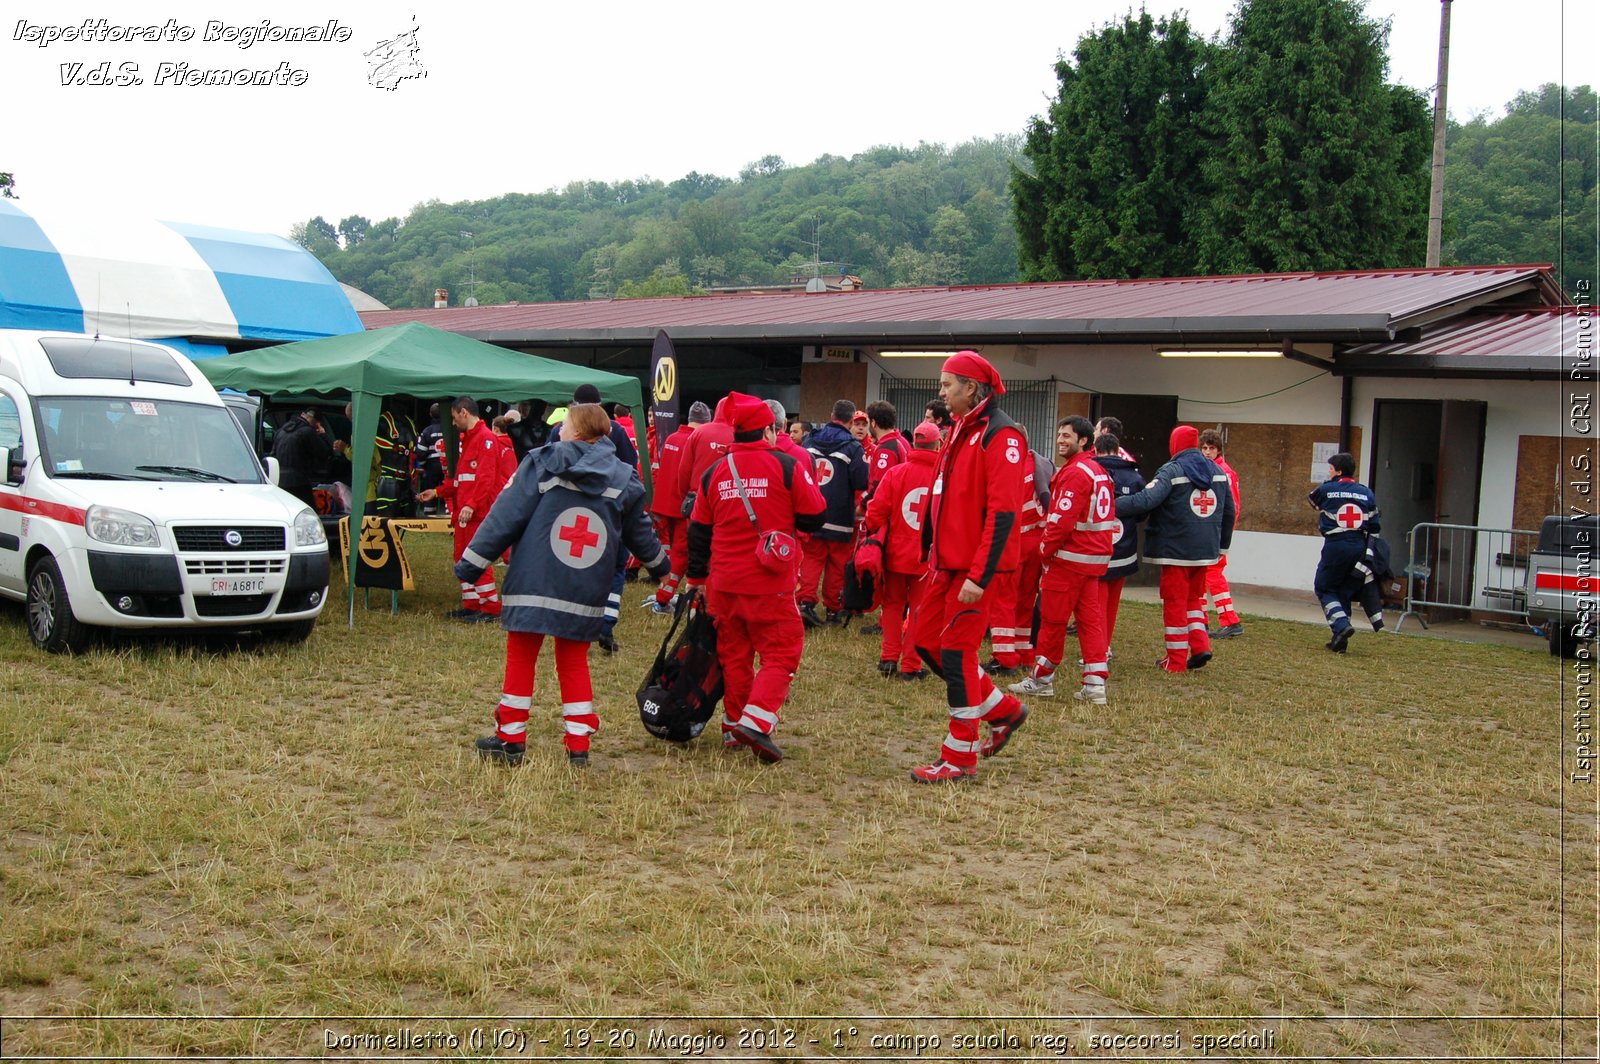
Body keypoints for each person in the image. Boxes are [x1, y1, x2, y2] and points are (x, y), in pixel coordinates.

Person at [456, 403, 670, 767]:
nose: (560, 430)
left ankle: (511, 739)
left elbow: (505, 514)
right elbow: (641, 533)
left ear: (575, 431)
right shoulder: (623, 476)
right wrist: (662, 568)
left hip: (534, 582)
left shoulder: (541, 462)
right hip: (584, 587)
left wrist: (471, 564)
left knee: (521, 657)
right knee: (573, 662)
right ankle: (578, 744)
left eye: (565, 423)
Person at [909, 351, 1031, 784]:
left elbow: (1003, 514)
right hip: (948, 565)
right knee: (926, 643)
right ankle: (1003, 709)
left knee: (957, 654)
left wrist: (979, 577)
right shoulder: (961, 429)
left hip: (975, 570)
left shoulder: (1002, 436)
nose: (940, 392)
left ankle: (958, 757)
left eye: (947, 385)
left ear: (971, 389)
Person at [685, 393, 826, 763]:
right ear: (768, 430)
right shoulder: (787, 466)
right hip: (770, 583)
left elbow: (698, 531)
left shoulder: (714, 472)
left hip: (724, 583)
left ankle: (734, 729)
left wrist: (695, 578)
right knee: (782, 652)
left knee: (735, 656)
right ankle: (758, 721)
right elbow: (814, 517)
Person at [1009, 417, 1115, 703]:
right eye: (1058, 434)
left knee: (1053, 621)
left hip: (1069, 559)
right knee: (1090, 621)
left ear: (1083, 440)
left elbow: (1060, 521)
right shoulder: (1097, 471)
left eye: (1067, 435)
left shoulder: (1076, 472)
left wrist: (1044, 550)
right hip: (1092, 559)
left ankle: (1041, 678)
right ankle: (1095, 684)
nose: (1060, 440)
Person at [1115, 425, 1236, 672]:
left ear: (1175, 444)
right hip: (1205, 551)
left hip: (1175, 549)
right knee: (1194, 600)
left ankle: (1176, 660)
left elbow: (1146, 500)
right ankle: (1201, 646)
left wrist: (1111, 504)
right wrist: (1221, 546)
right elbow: (1229, 511)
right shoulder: (1218, 471)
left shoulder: (1172, 470)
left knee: (1175, 603)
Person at [417, 397, 516, 622]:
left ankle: (490, 607)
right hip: (465, 511)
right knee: (461, 557)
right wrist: (437, 492)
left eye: (453, 418)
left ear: (463, 413)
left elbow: (485, 478)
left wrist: (471, 504)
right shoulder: (470, 439)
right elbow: (461, 479)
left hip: (476, 512)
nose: (453, 424)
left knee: (477, 558)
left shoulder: (485, 439)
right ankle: (472, 603)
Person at [864, 419, 941, 679]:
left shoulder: (896, 473)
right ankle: (911, 665)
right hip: (926, 557)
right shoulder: (943, 478)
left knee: (892, 606)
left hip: (895, 554)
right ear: (937, 444)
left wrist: (880, 532)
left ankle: (888, 659)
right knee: (919, 610)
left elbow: (874, 512)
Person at [573, 384, 639, 654]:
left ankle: (576, 626)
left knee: (578, 568)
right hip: (612, 512)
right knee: (614, 568)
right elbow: (630, 470)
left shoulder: (563, 432)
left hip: (575, 514)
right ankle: (606, 625)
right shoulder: (617, 431)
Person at [799, 399, 867, 626]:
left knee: (811, 560)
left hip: (813, 512)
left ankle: (805, 603)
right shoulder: (853, 447)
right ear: (850, 421)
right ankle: (832, 611)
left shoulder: (809, 439)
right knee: (837, 564)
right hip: (840, 515)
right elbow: (861, 480)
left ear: (831, 415)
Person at [1309, 451, 1380, 653]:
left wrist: (1329, 487)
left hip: (1337, 544)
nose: (1329, 472)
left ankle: (1341, 626)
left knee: (1324, 587)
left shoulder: (1327, 488)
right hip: (1359, 545)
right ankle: (1340, 639)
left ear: (1338, 471)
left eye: (1330, 469)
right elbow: (1374, 524)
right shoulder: (1366, 492)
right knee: (1344, 592)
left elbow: (1313, 501)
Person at [647, 400, 711, 613]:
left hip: (664, 504)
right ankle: (663, 599)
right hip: (685, 508)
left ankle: (664, 593)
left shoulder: (672, 437)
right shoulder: (699, 441)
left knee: (669, 551)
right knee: (682, 555)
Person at [1093, 431, 1144, 646]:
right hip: (1124, 551)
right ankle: (1106, 646)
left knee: (1095, 604)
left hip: (1095, 550)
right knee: (1112, 604)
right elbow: (1142, 512)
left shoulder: (1091, 472)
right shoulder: (1134, 477)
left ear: (1095, 450)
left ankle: (1097, 649)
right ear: (1117, 451)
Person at [1198, 429, 1243, 638]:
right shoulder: (1209, 469)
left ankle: (1230, 620)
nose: (1207, 452)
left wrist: (1225, 535)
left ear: (1218, 450)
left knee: (1213, 575)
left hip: (1217, 534)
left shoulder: (1224, 472)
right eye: (1204, 448)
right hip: (1208, 532)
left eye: (1212, 448)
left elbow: (1232, 507)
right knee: (1202, 576)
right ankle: (1202, 621)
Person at [270, 408, 332, 510]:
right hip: (299, 482)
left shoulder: (281, 431)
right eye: (317, 422)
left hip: (279, 481)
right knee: (309, 513)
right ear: (315, 421)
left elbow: (273, 455)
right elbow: (325, 453)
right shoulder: (308, 432)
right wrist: (323, 434)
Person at [414, 403, 446, 516]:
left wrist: (422, 466)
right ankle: (449, 516)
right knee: (449, 491)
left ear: (430, 414)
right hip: (447, 467)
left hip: (431, 468)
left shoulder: (427, 431)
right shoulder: (451, 430)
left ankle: (429, 518)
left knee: (429, 490)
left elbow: (421, 452)